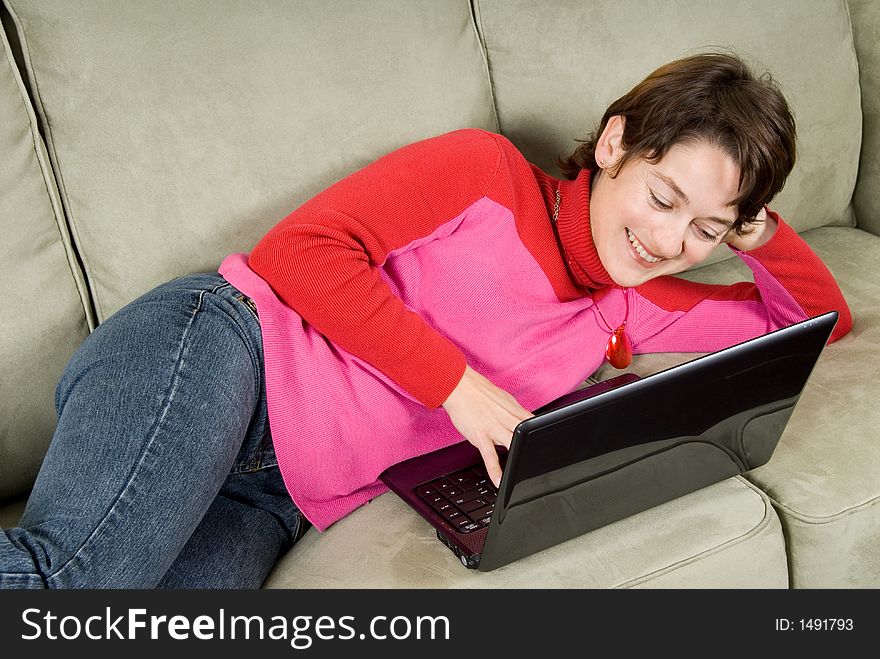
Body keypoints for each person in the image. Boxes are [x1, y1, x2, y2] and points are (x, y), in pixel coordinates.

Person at [0, 52, 852, 589]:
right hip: (223, 351)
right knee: (66, 583)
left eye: (705, 227)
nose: (671, 240)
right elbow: (300, 252)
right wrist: (459, 387)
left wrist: (759, 230)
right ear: (613, 145)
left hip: (277, 496)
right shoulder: (485, 174)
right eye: (663, 197)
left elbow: (819, 324)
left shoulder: (631, 307)